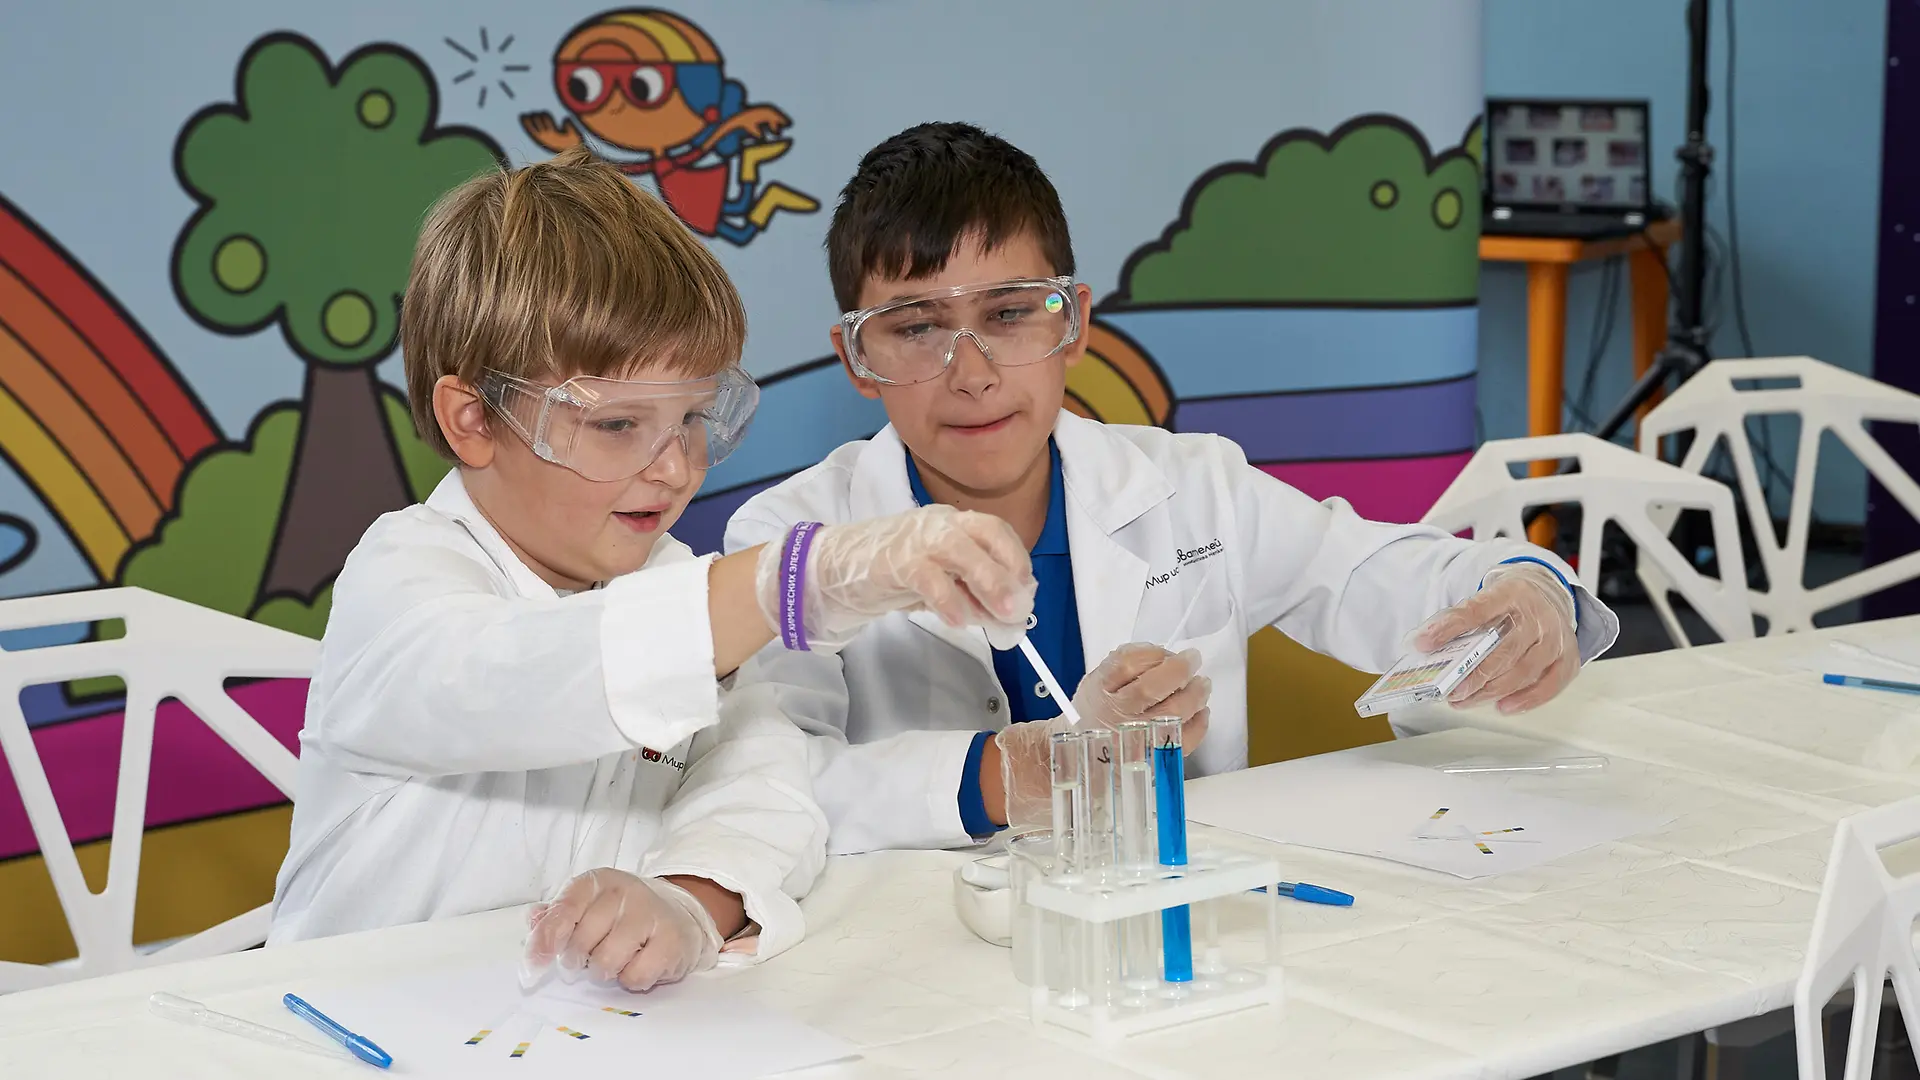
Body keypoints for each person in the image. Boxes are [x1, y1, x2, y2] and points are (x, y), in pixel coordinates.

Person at [723, 122, 1620, 855]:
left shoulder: (1194, 488)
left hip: (1178, 931)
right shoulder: (796, 537)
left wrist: (1527, 591)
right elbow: (774, 789)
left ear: (1073, 322)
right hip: (917, 961)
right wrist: (1020, 772)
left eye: (1008, 314)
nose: (973, 372)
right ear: (856, 358)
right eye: (916, 327)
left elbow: (1387, 582)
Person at [268, 146, 1037, 994]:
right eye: (618, 426)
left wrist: (689, 900)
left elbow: (763, 782)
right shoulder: (403, 576)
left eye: (695, 419)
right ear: (472, 419)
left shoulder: (671, 580)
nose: (673, 469)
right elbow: (516, 677)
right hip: (346, 1023)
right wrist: (793, 580)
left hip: (561, 1032)